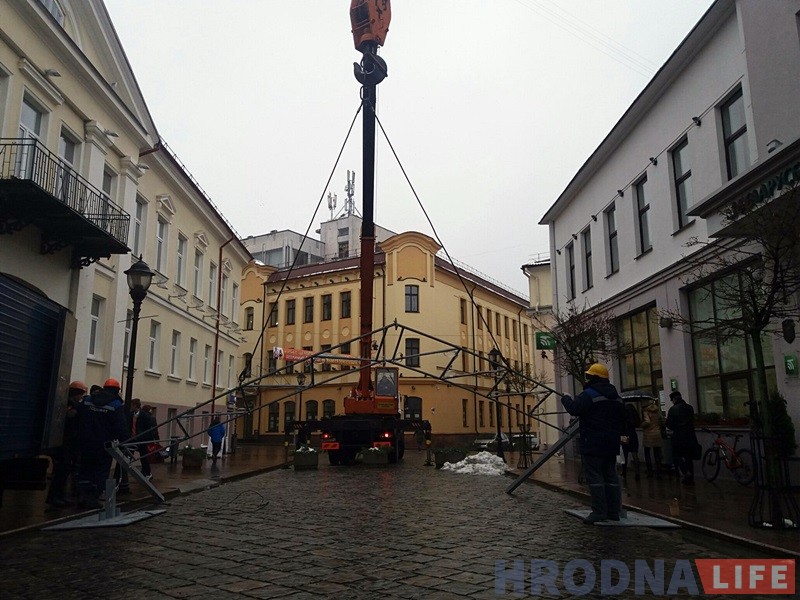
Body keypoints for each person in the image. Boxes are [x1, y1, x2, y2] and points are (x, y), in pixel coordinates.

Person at [561, 363, 626, 524]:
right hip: (611, 443)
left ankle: (599, 512)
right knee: (611, 477)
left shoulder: (589, 394)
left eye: (589, 376)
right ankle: (614, 512)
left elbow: (574, 409)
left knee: (595, 478)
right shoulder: (617, 397)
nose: (587, 379)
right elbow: (622, 418)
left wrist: (566, 398)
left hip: (593, 442)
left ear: (594, 378)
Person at [75, 378, 129, 508]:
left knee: (85, 469)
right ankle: (93, 498)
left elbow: (78, 418)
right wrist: (124, 442)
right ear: (117, 390)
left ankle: (82, 496)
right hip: (104, 444)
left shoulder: (88, 400)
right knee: (101, 470)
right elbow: (120, 427)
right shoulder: (116, 405)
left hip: (85, 442)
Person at [45, 380, 86, 508]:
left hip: (67, 442)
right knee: (62, 469)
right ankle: (54, 497)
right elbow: (69, 420)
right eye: (81, 394)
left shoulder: (68, 403)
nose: (81, 397)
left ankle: (60, 496)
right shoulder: (70, 404)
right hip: (65, 442)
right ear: (76, 393)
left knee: (65, 469)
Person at [665, 390, 699, 485]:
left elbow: (669, 425)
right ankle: (690, 478)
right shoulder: (690, 408)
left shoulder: (673, 409)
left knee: (677, 455)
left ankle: (685, 472)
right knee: (688, 457)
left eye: (672, 400)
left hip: (679, 436)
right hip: (690, 436)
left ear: (674, 399)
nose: (672, 401)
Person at [642, 399, 665, 478]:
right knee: (657, 454)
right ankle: (659, 472)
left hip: (648, 435)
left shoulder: (646, 412)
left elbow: (647, 422)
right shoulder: (657, 412)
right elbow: (662, 421)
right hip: (657, 434)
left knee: (647, 453)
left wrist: (642, 424)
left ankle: (650, 471)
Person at [135, 403, 158, 480]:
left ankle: (146, 472)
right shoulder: (151, 418)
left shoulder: (143, 417)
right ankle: (146, 472)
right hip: (148, 440)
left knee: (144, 457)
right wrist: (157, 440)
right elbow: (155, 430)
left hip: (144, 440)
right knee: (145, 457)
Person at [620, 403, 641, 481]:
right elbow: (638, 424)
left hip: (624, 435)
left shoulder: (623, 415)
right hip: (633, 435)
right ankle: (637, 473)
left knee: (624, 455)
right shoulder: (634, 415)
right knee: (634, 453)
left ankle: (624, 472)